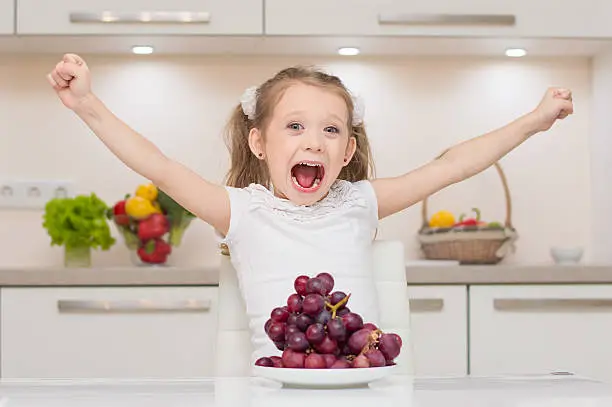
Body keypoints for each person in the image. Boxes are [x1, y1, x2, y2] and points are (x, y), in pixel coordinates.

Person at [47, 54, 573, 360]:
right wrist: (88, 104)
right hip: (276, 389)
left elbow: (452, 165)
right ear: (259, 144)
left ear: (346, 152)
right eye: (294, 126)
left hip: (367, 384)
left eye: (330, 130)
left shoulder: (360, 202)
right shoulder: (240, 211)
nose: (313, 141)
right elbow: (158, 166)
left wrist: (533, 120)